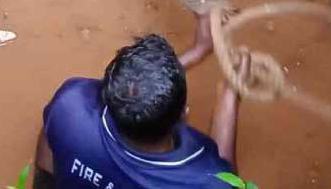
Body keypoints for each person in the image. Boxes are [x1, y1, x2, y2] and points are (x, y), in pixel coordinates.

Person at [33, 34, 249, 189]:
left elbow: (47, 149)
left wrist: (196, 52)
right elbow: (227, 179)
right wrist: (230, 94)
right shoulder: (201, 179)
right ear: (184, 115)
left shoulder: (71, 107)